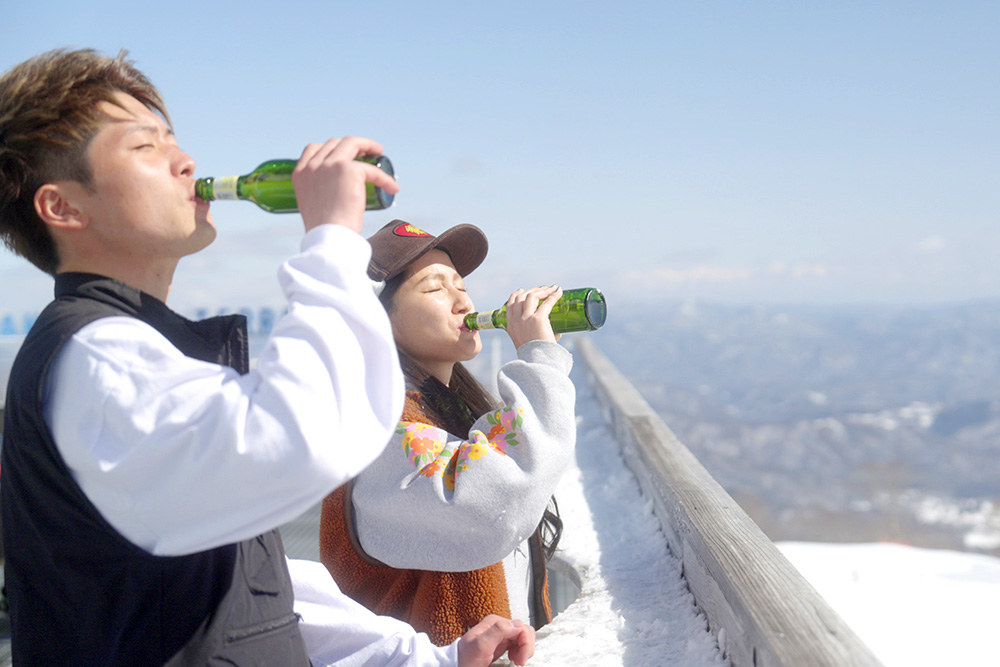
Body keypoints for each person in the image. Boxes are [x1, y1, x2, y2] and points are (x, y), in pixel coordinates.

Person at [0, 48, 533, 666]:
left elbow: (260, 592)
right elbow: (303, 437)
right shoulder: (94, 358)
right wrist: (331, 241)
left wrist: (432, 659)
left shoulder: (143, 352)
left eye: (174, 139)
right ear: (62, 206)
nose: (185, 161)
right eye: (144, 147)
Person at [319, 219, 577, 645]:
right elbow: (493, 500)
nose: (461, 301)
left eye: (461, 285)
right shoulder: (379, 426)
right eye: (436, 288)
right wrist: (540, 364)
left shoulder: (447, 410)